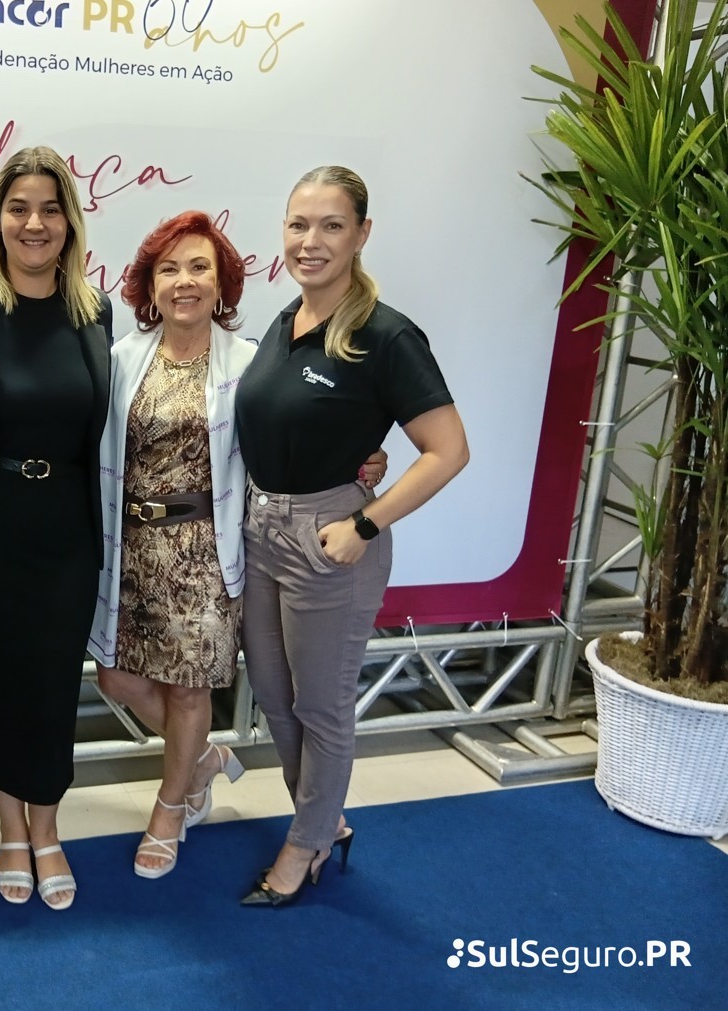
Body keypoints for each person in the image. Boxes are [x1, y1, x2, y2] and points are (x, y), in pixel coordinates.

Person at [90, 211, 385, 879]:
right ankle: (202, 761)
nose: (184, 281)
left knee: (188, 692)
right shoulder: (120, 358)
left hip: (205, 549)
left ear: (221, 282)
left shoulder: (251, 362)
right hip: (130, 547)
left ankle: (172, 807)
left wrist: (362, 457)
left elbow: (299, 431)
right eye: (169, 269)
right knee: (116, 676)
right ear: (148, 285)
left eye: (199, 267)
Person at [233, 166, 469, 907]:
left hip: (328, 539)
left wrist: (366, 522)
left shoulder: (386, 334)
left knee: (321, 705)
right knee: (273, 696)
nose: (310, 241)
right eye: (298, 224)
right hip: (261, 529)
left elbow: (448, 450)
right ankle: (323, 818)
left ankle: (304, 843)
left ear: (362, 234)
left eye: (331, 226)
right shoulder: (285, 320)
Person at [0, 146, 112, 911]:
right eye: (17, 208)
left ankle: (48, 824)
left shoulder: (97, 313)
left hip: (65, 528)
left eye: (48, 209)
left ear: (69, 221)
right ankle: (12, 827)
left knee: (49, 684)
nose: (33, 223)